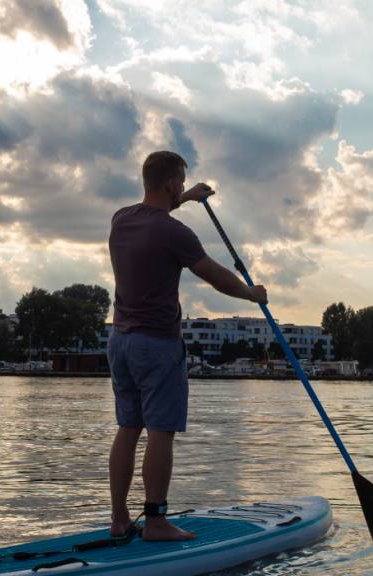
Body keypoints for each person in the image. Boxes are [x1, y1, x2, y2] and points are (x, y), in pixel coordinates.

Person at [107, 150, 268, 541]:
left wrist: (187, 197)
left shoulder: (121, 219)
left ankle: (119, 520)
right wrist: (251, 294)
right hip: (157, 344)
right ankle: (157, 522)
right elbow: (214, 275)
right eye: (180, 181)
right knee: (160, 431)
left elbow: (159, 211)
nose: (182, 186)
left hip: (120, 341)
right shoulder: (175, 233)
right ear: (170, 183)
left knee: (129, 428)